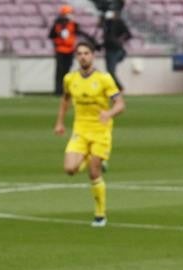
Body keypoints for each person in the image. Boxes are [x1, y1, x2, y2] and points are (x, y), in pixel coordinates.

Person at [54, 40, 125, 228]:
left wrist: (108, 113)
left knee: (94, 172)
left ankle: (100, 215)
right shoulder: (70, 79)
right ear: (76, 57)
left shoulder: (104, 79)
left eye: (86, 53)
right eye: (80, 54)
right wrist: (60, 123)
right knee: (70, 169)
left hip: (101, 131)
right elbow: (65, 100)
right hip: (80, 130)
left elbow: (120, 104)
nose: (83, 56)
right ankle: (88, 158)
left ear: (93, 56)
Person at [48, 4, 95, 96]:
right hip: (60, 50)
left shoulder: (73, 25)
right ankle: (58, 90)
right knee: (60, 71)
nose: (71, 15)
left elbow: (81, 33)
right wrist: (57, 42)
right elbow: (51, 36)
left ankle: (66, 89)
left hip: (69, 50)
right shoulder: (57, 25)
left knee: (67, 70)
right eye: (69, 13)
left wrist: (91, 39)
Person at [98, 9, 132, 88]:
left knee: (110, 71)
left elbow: (128, 35)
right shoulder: (106, 23)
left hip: (116, 50)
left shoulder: (118, 22)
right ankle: (115, 88)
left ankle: (119, 88)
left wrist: (119, 41)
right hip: (108, 50)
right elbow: (106, 38)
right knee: (109, 71)